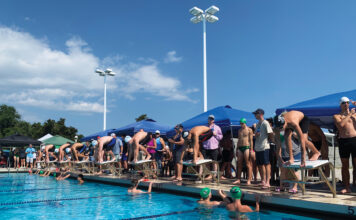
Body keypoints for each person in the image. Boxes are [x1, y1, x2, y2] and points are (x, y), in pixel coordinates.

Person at [333, 97, 356, 194]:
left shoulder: (355, 115)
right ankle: (347, 187)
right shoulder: (337, 116)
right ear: (340, 105)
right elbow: (341, 125)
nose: (346, 104)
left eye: (347, 102)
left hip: (354, 140)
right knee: (345, 166)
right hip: (343, 142)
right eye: (344, 103)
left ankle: (354, 183)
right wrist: (349, 114)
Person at [253, 108, 273, 189]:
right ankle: (263, 181)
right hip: (258, 147)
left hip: (264, 147)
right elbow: (256, 134)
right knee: (260, 165)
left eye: (256, 114)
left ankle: (268, 182)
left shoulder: (265, 123)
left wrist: (270, 140)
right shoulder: (258, 124)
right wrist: (256, 134)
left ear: (260, 114)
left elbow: (270, 133)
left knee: (266, 164)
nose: (254, 115)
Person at [202, 115, 223, 180]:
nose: (210, 120)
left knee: (214, 162)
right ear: (208, 119)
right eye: (209, 119)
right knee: (206, 162)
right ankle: (209, 175)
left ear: (213, 120)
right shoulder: (205, 127)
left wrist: (215, 134)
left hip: (214, 147)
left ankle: (214, 175)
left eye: (212, 119)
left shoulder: (217, 127)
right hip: (206, 147)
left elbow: (221, 137)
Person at [233, 118, 254, 185]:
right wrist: (236, 149)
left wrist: (251, 149)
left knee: (248, 164)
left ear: (245, 123)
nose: (241, 125)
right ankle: (238, 179)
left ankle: (249, 179)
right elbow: (239, 140)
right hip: (240, 147)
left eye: (242, 123)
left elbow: (251, 140)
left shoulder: (249, 130)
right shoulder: (239, 130)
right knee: (239, 163)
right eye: (240, 123)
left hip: (247, 147)